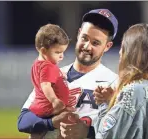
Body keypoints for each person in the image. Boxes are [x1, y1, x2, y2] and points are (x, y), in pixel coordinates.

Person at [17, 9, 118, 139]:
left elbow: (122, 131)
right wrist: (52, 122)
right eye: (85, 38)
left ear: (107, 46)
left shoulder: (114, 83)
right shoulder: (54, 73)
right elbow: (23, 121)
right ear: (79, 34)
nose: (87, 46)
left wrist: (88, 132)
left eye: (95, 43)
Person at [77, 23, 148, 139]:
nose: (120, 52)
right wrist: (113, 101)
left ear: (129, 52)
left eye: (123, 46)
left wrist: (104, 105)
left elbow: (105, 136)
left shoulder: (134, 91)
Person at [29, 24, 71, 118]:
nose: (62, 56)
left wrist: (59, 75)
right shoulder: (48, 66)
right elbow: (45, 85)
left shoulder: (37, 64)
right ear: (43, 51)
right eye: (57, 52)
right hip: (50, 107)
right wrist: (54, 100)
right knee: (73, 119)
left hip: (41, 106)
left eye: (63, 52)